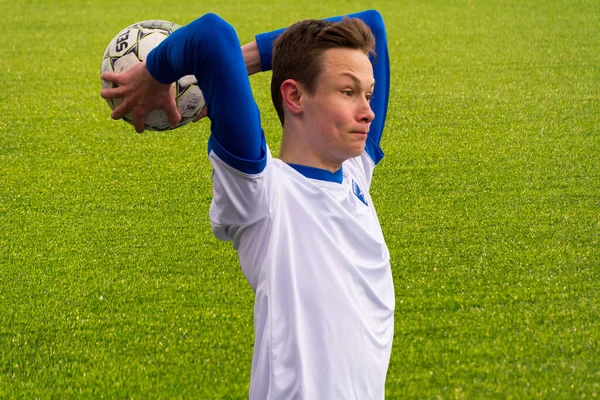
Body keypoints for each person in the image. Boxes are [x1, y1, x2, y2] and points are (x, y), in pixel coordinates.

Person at [101, 9, 393, 399]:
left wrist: (245, 62)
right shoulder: (261, 194)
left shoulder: (355, 175)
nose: (368, 111)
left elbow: (372, 24)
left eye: (368, 94)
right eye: (348, 91)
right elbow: (212, 36)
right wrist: (157, 73)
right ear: (293, 96)